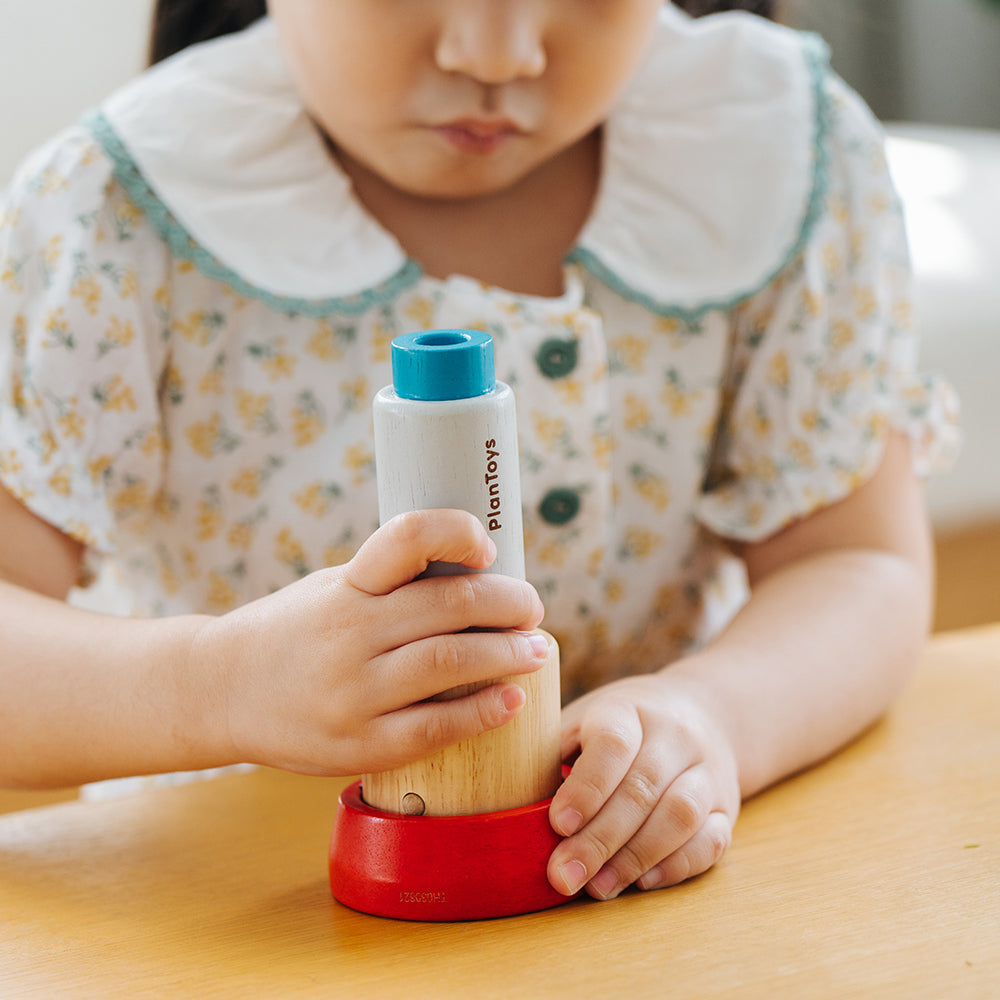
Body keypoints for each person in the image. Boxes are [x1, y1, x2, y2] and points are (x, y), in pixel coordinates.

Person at [0, 0, 958, 903]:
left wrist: (716, 717)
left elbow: (855, 558)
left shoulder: (769, 147)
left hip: (621, 902)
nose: (497, 55)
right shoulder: (110, 210)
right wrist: (217, 685)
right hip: (241, 913)